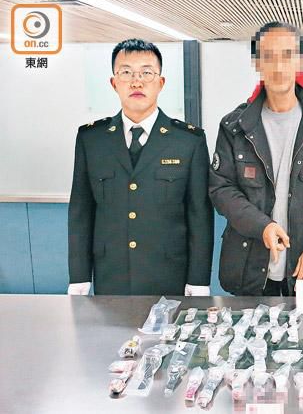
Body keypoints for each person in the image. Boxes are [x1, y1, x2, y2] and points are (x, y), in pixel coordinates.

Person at [209, 22, 303, 296]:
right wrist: (262, 226)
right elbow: (222, 189)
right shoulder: (234, 126)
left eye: (287, 55)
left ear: (299, 61)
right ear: (257, 63)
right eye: (268, 56)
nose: (278, 66)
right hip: (249, 269)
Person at [68, 39, 213, 295]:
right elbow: (81, 212)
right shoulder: (92, 139)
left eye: (146, 73)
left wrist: (199, 280)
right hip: (111, 275)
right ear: (114, 83)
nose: (136, 82)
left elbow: (199, 215)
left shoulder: (189, 141)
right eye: (126, 72)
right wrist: (79, 277)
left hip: (169, 274)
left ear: (161, 82)